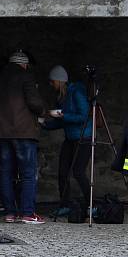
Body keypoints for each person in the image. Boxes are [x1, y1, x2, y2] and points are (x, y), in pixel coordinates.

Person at [0, 50, 47, 224]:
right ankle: (28, 212)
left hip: (1, 133)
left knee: (5, 172)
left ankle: (10, 212)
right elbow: (34, 102)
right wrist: (43, 111)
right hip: (22, 132)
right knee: (28, 173)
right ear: (24, 64)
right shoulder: (26, 76)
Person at [42, 65, 92, 215]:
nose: (51, 85)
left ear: (59, 81)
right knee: (63, 172)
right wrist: (44, 125)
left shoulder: (77, 92)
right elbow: (61, 122)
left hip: (84, 137)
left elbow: (83, 116)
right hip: (70, 138)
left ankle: (91, 204)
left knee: (78, 172)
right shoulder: (62, 97)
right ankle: (65, 205)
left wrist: (64, 115)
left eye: (52, 82)